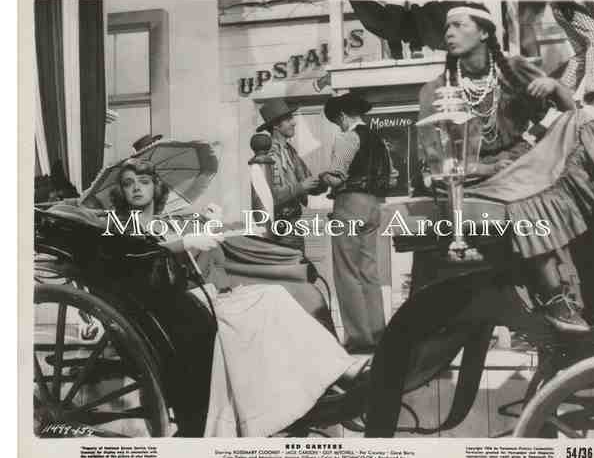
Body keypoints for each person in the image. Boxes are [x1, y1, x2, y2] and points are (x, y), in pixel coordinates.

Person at [111, 158, 369, 437]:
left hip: (194, 295)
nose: (136, 188)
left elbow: (192, 259)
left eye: (143, 182)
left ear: (156, 187)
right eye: (128, 183)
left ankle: (324, 376)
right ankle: (332, 375)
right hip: (167, 307)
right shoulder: (122, 226)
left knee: (273, 295)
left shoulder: (164, 223)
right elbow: (140, 256)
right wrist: (184, 243)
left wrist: (205, 227)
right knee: (263, 305)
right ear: (121, 192)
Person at [417, 3, 594, 333]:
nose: (449, 33)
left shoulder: (512, 69)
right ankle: (554, 299)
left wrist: (555, 88)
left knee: (582, 124)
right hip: (475, 180)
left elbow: (568, 112)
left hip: (524, 164)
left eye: (458, 25)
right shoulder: (435, 91)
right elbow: (436, 160)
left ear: (484, 32)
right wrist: (488, 168)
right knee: (527, 202)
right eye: (447, 28)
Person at [320, 93, 397, 353]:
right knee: (368, 272)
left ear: (343, 116)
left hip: (349, 204)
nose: (338, 126)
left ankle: (359, 339)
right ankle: (377, 334)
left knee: (346, 273)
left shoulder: (347, 137)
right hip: (373, 206)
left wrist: (322, 177)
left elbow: (336, 177)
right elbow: (392, 177)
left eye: (337, 121)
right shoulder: (379, 140)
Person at [255, 99, 323, 251]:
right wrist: (301, 187)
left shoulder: (290, 151)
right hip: (281, 225)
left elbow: (307, 181)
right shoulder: (270, 155)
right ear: (275, 125)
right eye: (288, 119)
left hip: (294, 222)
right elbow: (272, 196)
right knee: (292, 263)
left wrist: (325, 181)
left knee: (299, 263)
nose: (294, 123)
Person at [549, 2, 594, 112]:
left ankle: (562, 94)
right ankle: (592, 93)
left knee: (584, 52)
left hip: (561, 8)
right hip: (569, 6)